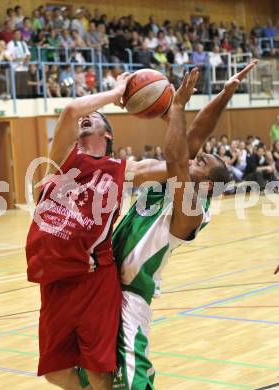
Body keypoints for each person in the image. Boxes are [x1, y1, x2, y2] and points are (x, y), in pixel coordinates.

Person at [79, 60, 258, 390]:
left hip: (130, 297)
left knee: (131, 382)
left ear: (206, 185)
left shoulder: (192, 210)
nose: (194, 158)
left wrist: (176, 106)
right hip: (103, 285)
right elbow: (194, 137)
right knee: (87, 377)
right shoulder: (176, 183)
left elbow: (178, 157)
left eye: (201, 162)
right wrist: (224, 93)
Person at [27, 71, 193, 390]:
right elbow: (71, 110)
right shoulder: (60, 159)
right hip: (54, 281)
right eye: (87, 115)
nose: (87, 117)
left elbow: (180, 163)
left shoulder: (122, 170)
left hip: (95, 278)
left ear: (108, 134)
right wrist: (116, 91)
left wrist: (173, 114)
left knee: (100, 371)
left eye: (96, 116)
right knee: (55, 371)